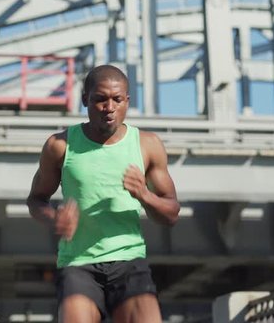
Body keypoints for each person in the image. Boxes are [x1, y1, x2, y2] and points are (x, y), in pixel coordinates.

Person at [26, 65, 180, 322]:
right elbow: (35, 199)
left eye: (117, 100)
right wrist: (54, 218)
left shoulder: (147, 145)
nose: (109, 107)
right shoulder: (60, 146)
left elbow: (171, 213)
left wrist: (144, 194)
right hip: (78, 263)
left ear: (127, 102)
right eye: (100, 99)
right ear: (85, 99)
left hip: (129, 260)